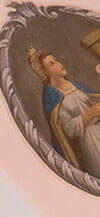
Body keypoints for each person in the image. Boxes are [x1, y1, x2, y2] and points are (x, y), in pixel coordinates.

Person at [25, 47, 100, 176]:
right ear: (46, 72)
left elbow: (94, 99)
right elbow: (68, 130)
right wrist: (89, 114)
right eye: (52, 63)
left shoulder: (75, 86)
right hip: (91, 141)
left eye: (56, 60)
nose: (59, 64)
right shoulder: (53, 97)